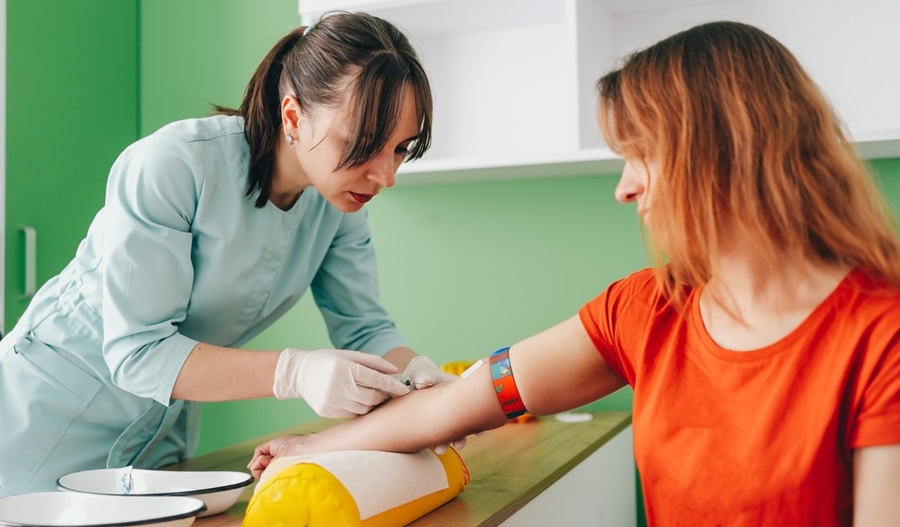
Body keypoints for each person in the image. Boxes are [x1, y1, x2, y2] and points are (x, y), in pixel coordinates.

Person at [248, 21, 900, 526]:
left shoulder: (881, 335)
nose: (624, 188)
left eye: (639, 154)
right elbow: (465, 400)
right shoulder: (644, 311)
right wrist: (317, 447)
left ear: (722, 148)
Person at [0, 11, 457, 497]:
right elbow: (137, 352)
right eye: (364, 145)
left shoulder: (338, 209)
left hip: (158, 432)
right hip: (49, 417)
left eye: (401, 149)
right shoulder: (174, 166)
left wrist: (420, 376)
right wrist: (294, 371)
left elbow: (365, 328)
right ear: (293, 117)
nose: (386, 176)